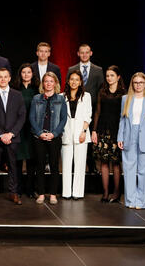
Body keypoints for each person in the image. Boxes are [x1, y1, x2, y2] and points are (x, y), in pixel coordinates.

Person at [0, 68, 26, 205]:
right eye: (0, 77)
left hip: (13, 137)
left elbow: (21, 116)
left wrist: (11, 134)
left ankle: (13, 192)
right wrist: (1, 134)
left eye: (5, 77)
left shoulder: (17, 95)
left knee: (13, 165)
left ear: (9, 78)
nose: (2, 79)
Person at [30, 72, 67, 205]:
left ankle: (52, 194)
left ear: (55, 83)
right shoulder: (36, 98)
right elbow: (32, 118)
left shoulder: (61, 99)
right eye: (46, 81)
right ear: (43, 83)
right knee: (39, 166)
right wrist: (40, 133)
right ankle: (40, 193)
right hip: (39, 137)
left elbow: (63, 119)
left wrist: (55, 133)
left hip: (54, 137)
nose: (48, 84)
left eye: (51, 81)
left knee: (54, 166)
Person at [117, 72, 145, 209]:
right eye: (136, 82)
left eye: (141, 83)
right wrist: (120, 137)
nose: (138, 85)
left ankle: (143, 202)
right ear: (132, 84)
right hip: (129, 135)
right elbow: (122, 119)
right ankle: (131, 200)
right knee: (129, 169)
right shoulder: (126, 99)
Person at [67, 43, 103, 175]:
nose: (84, 55)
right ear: (78, 53)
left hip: (92, 110)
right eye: (82, 52)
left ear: (91, 53)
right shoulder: (72, 69)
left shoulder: (98, 70)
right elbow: (68, 87)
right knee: (75, 138)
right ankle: (72, 166)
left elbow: (100, 91)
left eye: (87, 52)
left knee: (89, 139)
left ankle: (92, 165)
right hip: (75, 110)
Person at [91, 65, 125, 203]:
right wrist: (94, 130)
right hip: (103, 130)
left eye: (112, 75)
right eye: (107, 76)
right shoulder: (102, 92)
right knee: (103, 162)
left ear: (118, 77)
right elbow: (97, 112)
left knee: (116, 163)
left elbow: (124, 115)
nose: (109, 78)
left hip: (117, 131)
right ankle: (105, 192)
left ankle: (116, 193)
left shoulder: (123, 93)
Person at [61, 70, 92, 200]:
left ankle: (78, 192)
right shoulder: (61, 96)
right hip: (66, 131)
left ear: (80, 82)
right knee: (66, 163)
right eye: (72, 79)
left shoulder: (86, 96)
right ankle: (66, 192)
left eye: (77, 79)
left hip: (81, 131)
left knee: (80, 164)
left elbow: (88, 114)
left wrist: (84, 131)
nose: (74, 82)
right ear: (68, 81)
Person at [11, 63, 39, 198]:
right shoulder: (15, 89)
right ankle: (18, 188)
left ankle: (30, 189)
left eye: (29, 72)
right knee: (17, 160)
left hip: (32, 128)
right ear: (20, 74)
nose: (26, 75)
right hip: (18, 128)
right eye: (23, 72)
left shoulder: (37, 90)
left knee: (31, 160)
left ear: (33, 74)